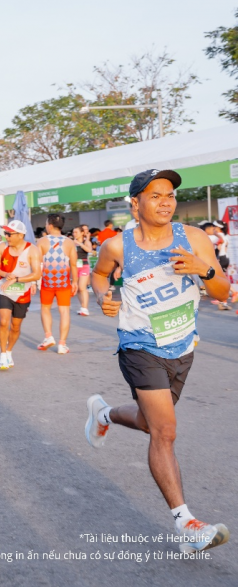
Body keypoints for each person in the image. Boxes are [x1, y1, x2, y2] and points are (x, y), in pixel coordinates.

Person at [84, 169, 231, 555]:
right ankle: (187, 523)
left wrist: (206, 270)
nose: (166, 202)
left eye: (170, 195)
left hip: (182, 345)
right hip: (139, 346)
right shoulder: (118, 247)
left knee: (151, 423)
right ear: (135, 203)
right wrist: (103, 297)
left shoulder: (193, 238)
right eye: (155, 195)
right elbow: (99, 277)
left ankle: (104, 415)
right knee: (165, 431)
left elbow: (222, 291)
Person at [0, 220, 42, 370]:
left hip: (22, 292)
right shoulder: (1, 246)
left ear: (20, 235)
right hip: (4, 289)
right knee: (4, 321)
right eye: (5, 233)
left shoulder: (32, 250)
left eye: (9, 234)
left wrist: (17, 279)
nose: (6, 236)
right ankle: (3, 354)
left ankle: (10, 350)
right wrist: (6, 274)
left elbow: (37, 274)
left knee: (16, 326)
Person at [37, 214, 78, 354]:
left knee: (45, 309)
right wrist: (75, 282)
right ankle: (62, 344)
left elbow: (36, 263)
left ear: (50, 225)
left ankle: (48, 336)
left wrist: (32, 281)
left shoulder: (41, 241)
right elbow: (73, 264)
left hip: (47, 282)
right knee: (64, 312)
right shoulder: (69, 242)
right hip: (64, 282)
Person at [72, 225, 93, 316]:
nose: (74, 234)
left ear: (81, 233)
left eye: (76, 232)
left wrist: (79, 244)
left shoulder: (86, 242)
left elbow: (89, 250)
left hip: (84, 265)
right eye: (73, 232)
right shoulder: (71, 242)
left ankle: (85, 308)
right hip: (74, 266)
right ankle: (82, 307)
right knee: (77, 288)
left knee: (82, 287)